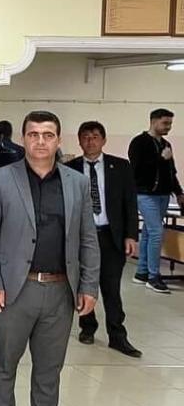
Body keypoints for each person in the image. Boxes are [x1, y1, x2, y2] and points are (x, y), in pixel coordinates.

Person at [0, 111, 99, 406]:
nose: (41, 141)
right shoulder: (1, 179)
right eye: (34, 134)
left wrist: (89, 286)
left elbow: (88, 238)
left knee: (50, 365)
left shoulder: (76, 183)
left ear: (59, 140)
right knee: (4, 361)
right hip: (15, 289)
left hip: (61, 289)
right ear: (24, 139)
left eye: (48, 135)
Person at [67, 121, 142, 357]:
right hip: (80, 237)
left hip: (111, 236)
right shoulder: (69, 169)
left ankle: (117, 336)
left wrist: (131, 235)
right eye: (85, 137)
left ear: (104, 140)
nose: (90, 141)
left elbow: (130, 203)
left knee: (111, 287)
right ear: (79, 141)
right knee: (83, 283)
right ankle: (87, 327)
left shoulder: (120, 167)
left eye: (95, 136)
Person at [128, 108, 184, 294]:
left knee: (148, 232)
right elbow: (137, 170)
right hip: (145, 194)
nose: (168, 127)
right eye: (165, 123)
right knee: (156, 232)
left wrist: (179, 192)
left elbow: (171, 171)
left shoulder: (166, 144)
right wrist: (160, 159)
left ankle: (142, 272)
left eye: (170, 124)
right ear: (153, 121)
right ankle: (154, 276)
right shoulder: (139, 142)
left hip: (163, 194)